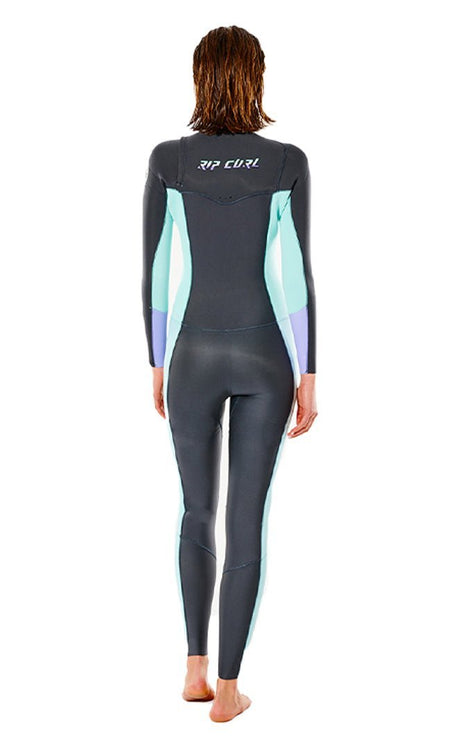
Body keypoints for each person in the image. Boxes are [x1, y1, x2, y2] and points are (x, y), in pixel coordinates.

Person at [142, 25, 318, 722]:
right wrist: (308, 372)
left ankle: (193, 667)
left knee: (196, 509)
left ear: (200, 77)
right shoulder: (286, 162)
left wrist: (158, 360)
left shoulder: (169, 160)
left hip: (191, 355)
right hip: (265, 357)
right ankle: (228, 689)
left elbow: (156, 270)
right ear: (256, 77)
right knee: (247, 520)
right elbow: (297, 275)